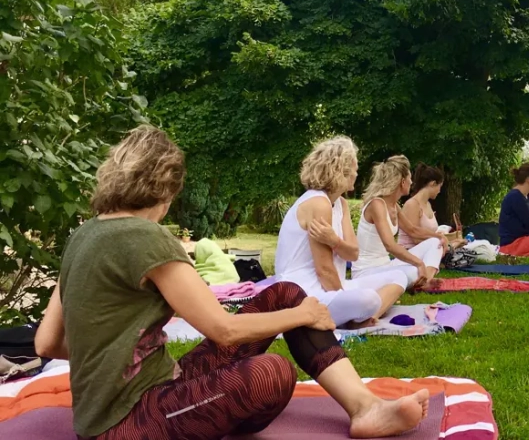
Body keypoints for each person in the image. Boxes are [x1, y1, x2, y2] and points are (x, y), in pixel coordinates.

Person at [34, 125, 428, 440]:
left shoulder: (81, 237)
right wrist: (300, 315)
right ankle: (220, 412)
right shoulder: (146, 237)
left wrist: (113, 356)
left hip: (141, 396)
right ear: (168, 190)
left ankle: (365, 407)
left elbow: (46, 343)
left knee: (284, 294)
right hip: (127, 425)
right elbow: (224, 329)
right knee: (272, 373)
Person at [275, 136, 406, 328]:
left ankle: (361, 318)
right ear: (341, 171)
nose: (357, 171)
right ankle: (355, 318)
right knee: (369, 299)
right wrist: (346, 298)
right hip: (302, 292)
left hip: (332, 286)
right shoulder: (318, 203)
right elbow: (324, 270)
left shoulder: (341, 204)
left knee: (399, 277)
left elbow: (353, 253)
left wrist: (334, 240)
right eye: (354, 166)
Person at [352, 156, 444, 289]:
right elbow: (390, 245)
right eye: (409, 178)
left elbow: (413, 230)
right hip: (366, 272)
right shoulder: (377, 204)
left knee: (436, 244)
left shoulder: (394, 206)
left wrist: (439, 236)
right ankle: (422, 281)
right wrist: (419, 263)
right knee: (412, 271)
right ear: (402, 182)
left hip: (386, 266)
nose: (412, 182)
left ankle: (424, 281)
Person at [398, 163, 466, 252]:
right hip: (410, 251)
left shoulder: (428, 205)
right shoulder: (412, 205)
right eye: (439, 186)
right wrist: (449, 243)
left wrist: (450, 240)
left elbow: (431, 236)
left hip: (427, 250)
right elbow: (416, 239)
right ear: (433, 183)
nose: (439, 191)